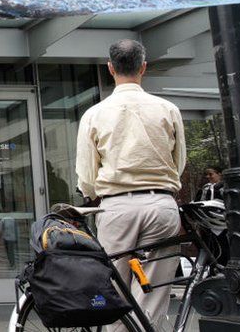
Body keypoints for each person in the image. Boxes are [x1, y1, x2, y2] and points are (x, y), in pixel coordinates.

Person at [76, 39, 186, 332]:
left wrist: (89, 195)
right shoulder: (167, 109)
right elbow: (180, 162)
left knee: (115, 287)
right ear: (144, 68)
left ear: (110, 68)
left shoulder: (94, 114)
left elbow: (86, 174)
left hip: (116, 205)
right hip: (161, 204)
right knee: (155, 290)